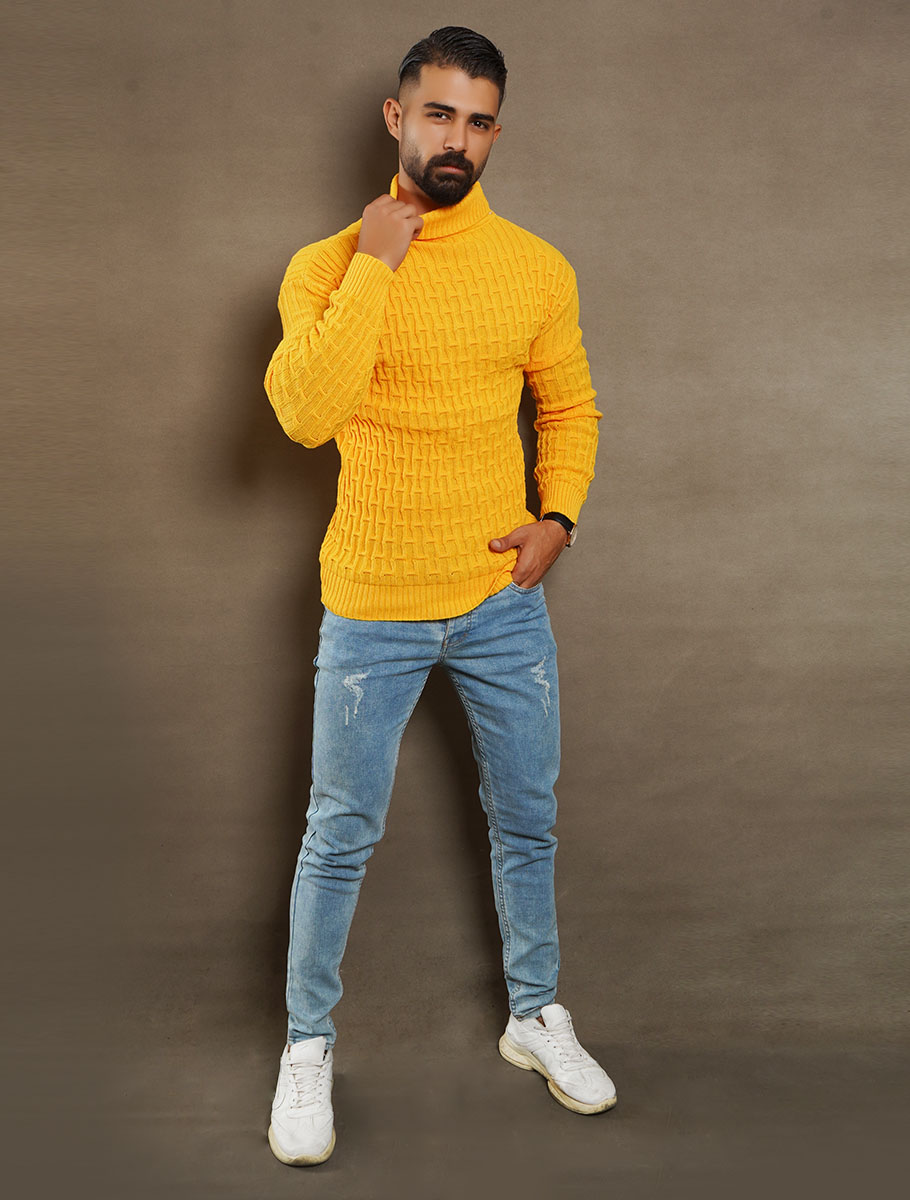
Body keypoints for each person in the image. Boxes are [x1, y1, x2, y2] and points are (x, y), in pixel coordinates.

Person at [262, 26, 613, 1167]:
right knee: (339, 834)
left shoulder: (536, 267)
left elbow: (569, 406)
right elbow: (305, 413)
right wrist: (376, 262)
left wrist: (559, 517)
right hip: (372, 602)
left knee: (527, 817)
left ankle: (535, 1015)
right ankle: (307, 1044)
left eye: (478, 120)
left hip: (500, 602)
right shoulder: (325, 267)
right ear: (396, 117)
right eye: (438, 114)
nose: (457, 138)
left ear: (494, 132)